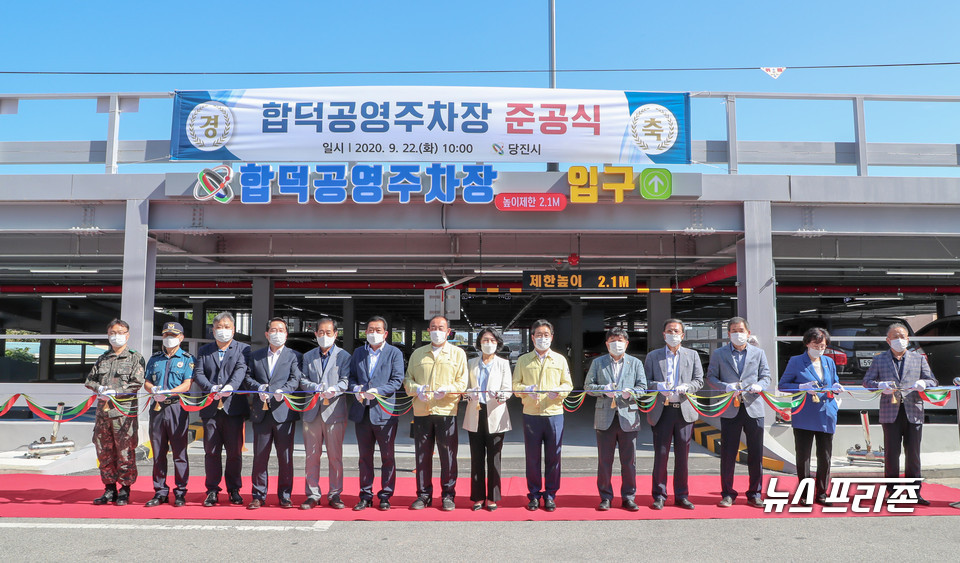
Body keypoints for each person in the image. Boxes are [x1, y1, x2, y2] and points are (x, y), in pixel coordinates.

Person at [863, 322, 937, 505]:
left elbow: (933, 381)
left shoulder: (918, 358)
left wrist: (924, 384)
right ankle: (892, 491)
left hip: (914, 411)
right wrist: (880, 386)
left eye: (902, 337)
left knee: (913, 454)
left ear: (908, 339)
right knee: (891, 454)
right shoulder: (879, 359)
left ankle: (915, 492)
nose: (899, 340)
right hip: (890, 412)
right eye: (895, 337)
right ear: (888, 340)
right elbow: (867, 381)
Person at [402, 315, 468, 511]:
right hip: (422, 411)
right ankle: (423, 495)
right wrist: (416, 389)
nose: (436, 331)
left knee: (448, 455)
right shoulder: (418, 354)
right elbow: (407, 380)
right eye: (433, 327)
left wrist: (448, 389)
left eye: (441, 327)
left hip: (446, 411)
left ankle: (448, 495)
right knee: (422, 456)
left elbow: (463, 383)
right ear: (428, 330)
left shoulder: (457, 354)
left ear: (448, 332)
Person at [706, 316, 771, 508]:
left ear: (748, 333)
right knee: (728, 453)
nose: (738, 334)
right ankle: (727, 493)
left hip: (753, 407)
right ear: (728, 334)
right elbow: (711, 377)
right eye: (734, 331)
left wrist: (760, 385)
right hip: (730, 409)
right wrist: (725, 387)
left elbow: (766, 376)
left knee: (756, 452)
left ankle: (755, 493)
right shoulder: (719, 353)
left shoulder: (758, 353)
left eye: (741, 330)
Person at [512, 319, 573, 512]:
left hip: (554, 413)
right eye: (539, 335)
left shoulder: (560, 360)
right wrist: (526, 389)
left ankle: (551, 495)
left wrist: (560, 391)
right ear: (532, 338)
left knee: (554, 456)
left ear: (552, 337)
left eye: (546, 335)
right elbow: (515, 386)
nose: (542, 338)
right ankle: (534, 495)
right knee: (532, 457)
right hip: (531, 413)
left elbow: (568, 384)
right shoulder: (523, 360)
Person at [584, 327, 647, 512]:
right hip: (605, 417)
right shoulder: (598, 362)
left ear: (626, 344)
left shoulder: (635, 363)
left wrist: (632, 393)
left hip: (629, 417)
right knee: (605, 461)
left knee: (629, 462)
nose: (616, 344)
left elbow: (643, 387)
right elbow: (588, 386)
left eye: (620, 340)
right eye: (613, 340)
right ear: (607, 344)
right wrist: (603, 389)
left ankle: (629, 497)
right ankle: (605, 497)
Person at [84, 318, 145, 506]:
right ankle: (109, 489)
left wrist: (117, 391)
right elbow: (89, 380)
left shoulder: (135, 357)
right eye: (112, 333)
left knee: (125, 451)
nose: (115, 336)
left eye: (119, 333)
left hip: (123, 414)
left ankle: (125, 490)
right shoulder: (103, 358)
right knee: (104, 451)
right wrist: (99, 389)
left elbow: (137, 382)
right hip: (103, 414)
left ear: (127, 335)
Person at [779, 327, 842, 506]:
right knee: (804, 456)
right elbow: (783, 385)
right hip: (804, 413)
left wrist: (837, 387)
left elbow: (834, 380)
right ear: (807, 343)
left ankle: (822, 492)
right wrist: (801, 387)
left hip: (826, 413)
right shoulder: (796, 361)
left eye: (823, 345)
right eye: (816, 344)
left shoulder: (829, 362)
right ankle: (805, 493)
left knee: (825, 455)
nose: (819, 348)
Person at [644, 319, 704, 510]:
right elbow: (645, 382)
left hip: (684, 411)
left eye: (676, 331)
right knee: (661, 455)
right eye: (669, 330)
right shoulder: (653, 356)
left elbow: (699, 381)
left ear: (683, 335)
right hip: (662, 410)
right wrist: (658, 387)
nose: (673, 334)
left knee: (682, 457)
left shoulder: (692, 355)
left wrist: (688, 386)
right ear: (663, 334)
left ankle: (682, 495)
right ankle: (659, 495)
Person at [244, 317, 303, 509]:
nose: (277, 334)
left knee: (285, 457)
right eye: (273, 330)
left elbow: (296, 378)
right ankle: (258, 495)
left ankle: (285, 495)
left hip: (284, 413)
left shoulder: (294, 356)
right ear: (267, 334)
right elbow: (248, 377)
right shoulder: (256, 355)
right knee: (260, 456)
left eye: (281, 330)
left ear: (286, 334)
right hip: (261, 413)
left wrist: (284, 390)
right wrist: (258, 387)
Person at [192, 312, 250, 507]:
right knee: (211, 452)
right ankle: (212, 490)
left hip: (233, 408)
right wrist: (211, 388)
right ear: (213, 330)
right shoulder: (205, 350)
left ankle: (234, 489)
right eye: (219, 327)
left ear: (233, 330)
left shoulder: (243, 349)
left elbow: (241, 371)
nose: (223, 330)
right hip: (210, 408)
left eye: (227, 327)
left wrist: (229, 387)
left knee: (234, 452)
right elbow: (198, 373)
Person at [349, 316, 404, 511]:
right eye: (370, 330)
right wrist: (355, 388)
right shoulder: (358, 353)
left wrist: (378, 391)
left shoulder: (394, 353)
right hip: (362, 413)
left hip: (384, 413)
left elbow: (397, 381)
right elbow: (351, 377)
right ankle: (365, 495)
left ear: (386, 333)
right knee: (364, 457)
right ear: (366, 332)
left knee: (387, 457)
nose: (374, 333)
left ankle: (386, 495)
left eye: (378, 330)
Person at [298, 317, 352, 510]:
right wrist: (315, 387)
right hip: (312, 412)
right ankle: (312, 494)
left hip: (334, 412)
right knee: (311, 455)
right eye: (321, 332)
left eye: (328, 333)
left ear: (335, 335)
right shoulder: (308, 356)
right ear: (315, 334)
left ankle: (335, 494)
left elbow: (346, 380)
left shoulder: (344, 356)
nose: (324, 336)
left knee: (335, 456)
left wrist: (335, 389)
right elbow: (302, 380)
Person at [143, 322, 195, 507]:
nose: (169, 338)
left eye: (173, 335)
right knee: (158, 452)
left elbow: (187, 384)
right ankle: (160, 491)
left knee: (179, 452)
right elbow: (147, 382)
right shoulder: (155, 359)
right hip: (157, 408)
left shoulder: (187, 358)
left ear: (181, 337)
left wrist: (170, 392)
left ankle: (180, 491)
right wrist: (153, 389)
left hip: (176, 408)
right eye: (166, 335)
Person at [462, 327, 513, 512]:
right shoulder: (471, 363)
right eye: (485, 340)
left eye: (492, 340)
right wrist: (469, 394)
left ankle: (492, 497)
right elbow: (464, 388)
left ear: (498, 343)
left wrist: (501, 395)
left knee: (494, 457)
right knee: (476, 458)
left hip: (496, 413)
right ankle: (477, 497)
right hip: (475, 411)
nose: (488, 343)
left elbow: (508, 389)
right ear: (479, 343)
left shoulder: (503, 364)